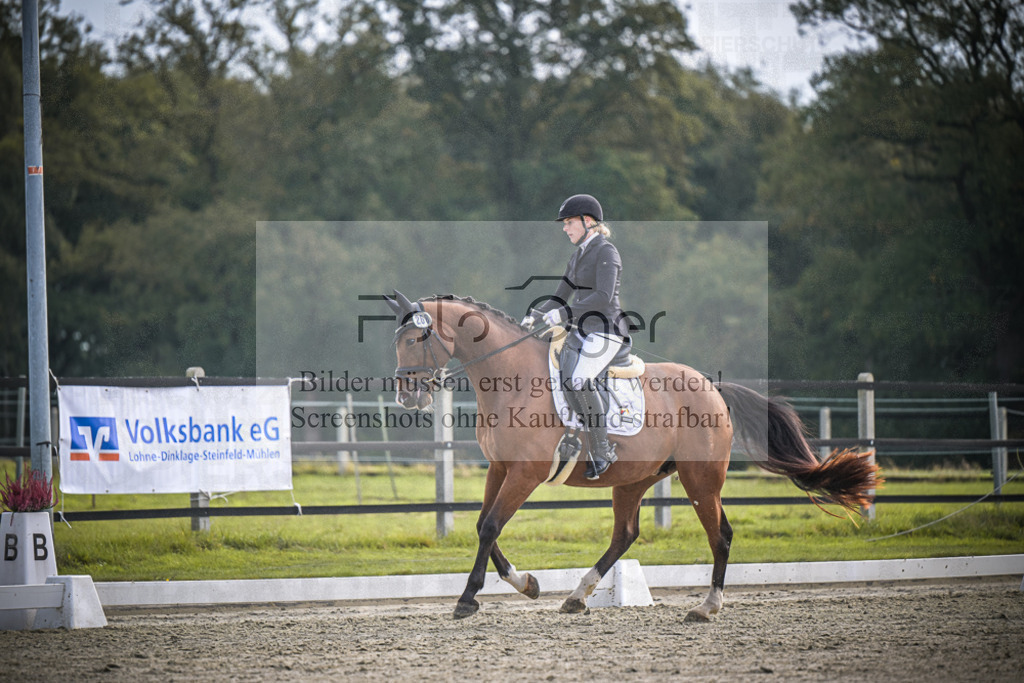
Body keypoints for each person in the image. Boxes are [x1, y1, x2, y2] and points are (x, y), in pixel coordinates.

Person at [521, 194, 630, 479]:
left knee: (580, 379)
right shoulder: (577, 255)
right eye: (565, 223)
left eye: (569, 223)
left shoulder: (607, 252)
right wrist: (533, 315)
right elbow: (559, 296)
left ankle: (602, 450)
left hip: (606, 331)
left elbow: (603, 297)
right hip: (581, 332)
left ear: (588, 222)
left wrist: (564, 315)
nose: (565, 228)